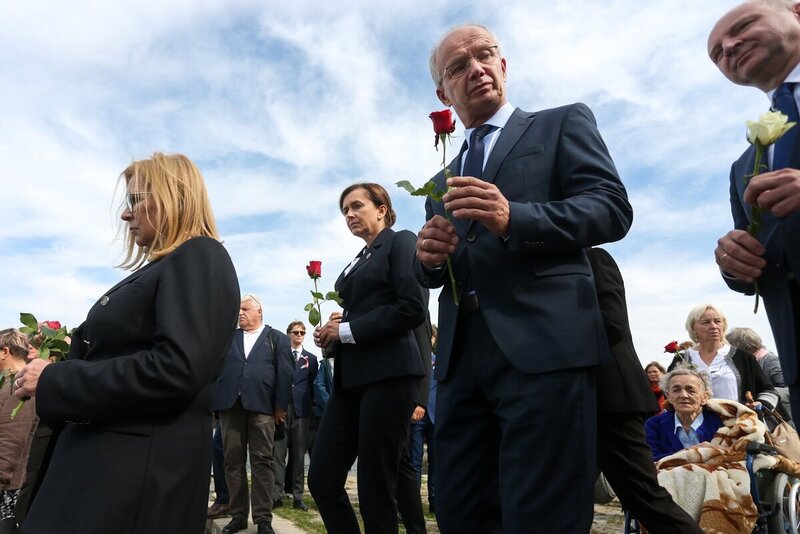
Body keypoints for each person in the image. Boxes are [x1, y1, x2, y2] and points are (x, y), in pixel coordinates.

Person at [414, 24, 632, 532]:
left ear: (504, 66)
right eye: (458, 66)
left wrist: (517, 217)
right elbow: (448, 270)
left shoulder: (560, 124)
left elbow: (611, 209)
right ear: (443, 91)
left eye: (485, 55)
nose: (476, 69)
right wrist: (428, 260)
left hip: (545, 350)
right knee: (460, 509)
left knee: (542, 514)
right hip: (461, 362)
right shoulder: (440, 183)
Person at [13, 152, 240, 534]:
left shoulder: (200, 255)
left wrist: (55, 380)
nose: (126, 214)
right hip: (110, 468)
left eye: (136, 200)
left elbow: (176, 368)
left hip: (130, 478)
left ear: (174, 198)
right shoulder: (167, 267)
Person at [309, 183, 427, 533]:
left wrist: (346, 330)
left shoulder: (401, 241)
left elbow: (412, 307)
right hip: (350, 382)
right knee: (322, 478)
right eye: (344, 209)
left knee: (375, 487)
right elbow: (362, 314)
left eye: (356, 205)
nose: (349, 214)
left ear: (382, 208)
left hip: (389, 376)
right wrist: (332, 332)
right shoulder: (358, 259)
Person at [709, 0, 800, 420]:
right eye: (716, 52)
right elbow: (757, 261)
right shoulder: (745, 164)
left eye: (743, 25)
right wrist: (733, 262)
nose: (728, 46)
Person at [588, 248, 702, 534]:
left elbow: (610, 326)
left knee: (645, 498)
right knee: (566, 497)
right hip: (571, 399)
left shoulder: (594, 260)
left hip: (612, 399)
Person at [212, 294, 293, 534]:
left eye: (245, 309)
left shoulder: (276, 338)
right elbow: (215, 370)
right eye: (238, 310)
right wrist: (216, 405)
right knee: (232, 463)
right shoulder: (228, 338)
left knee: (262, 462)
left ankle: (263, 519)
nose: (240, 313)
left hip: (263, 408)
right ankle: (238, 515)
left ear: (260, 311)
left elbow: (285, 374)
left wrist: (280, 407)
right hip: (230, 407)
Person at [667, 304, 780, 413]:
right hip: (695, 427)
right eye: (706, 322)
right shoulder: (682, 359)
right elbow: (668, 393)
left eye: (717, 321)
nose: (714, 326)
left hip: (738, 426)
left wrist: (760, 404)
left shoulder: (742, 357)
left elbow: (768, 390)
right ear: (693, 328)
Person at [273, 321, 317, 511]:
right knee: (278, 455)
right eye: (296, 332)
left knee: (299, 457)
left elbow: (313, 385)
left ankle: (298, 496)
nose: (299, 335)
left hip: (302, 413)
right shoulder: (279, 355)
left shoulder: (312, 359)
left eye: (302, 332)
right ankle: (276, 494)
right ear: (288, 333)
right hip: (282, 411)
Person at [0, 329, 37, 534]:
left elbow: (10, 442)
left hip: (6, 489)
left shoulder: (19, 386)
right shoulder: (10, 382)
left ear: (5, 351)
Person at [645, 367, 723, 461]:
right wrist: (692, 452)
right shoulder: (654, 425)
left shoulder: (721, 422)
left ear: (705, 397)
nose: (683, 395)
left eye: (691, 390)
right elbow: (650, 460)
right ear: (668, 396)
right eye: (676, 390)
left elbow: (733, 455)